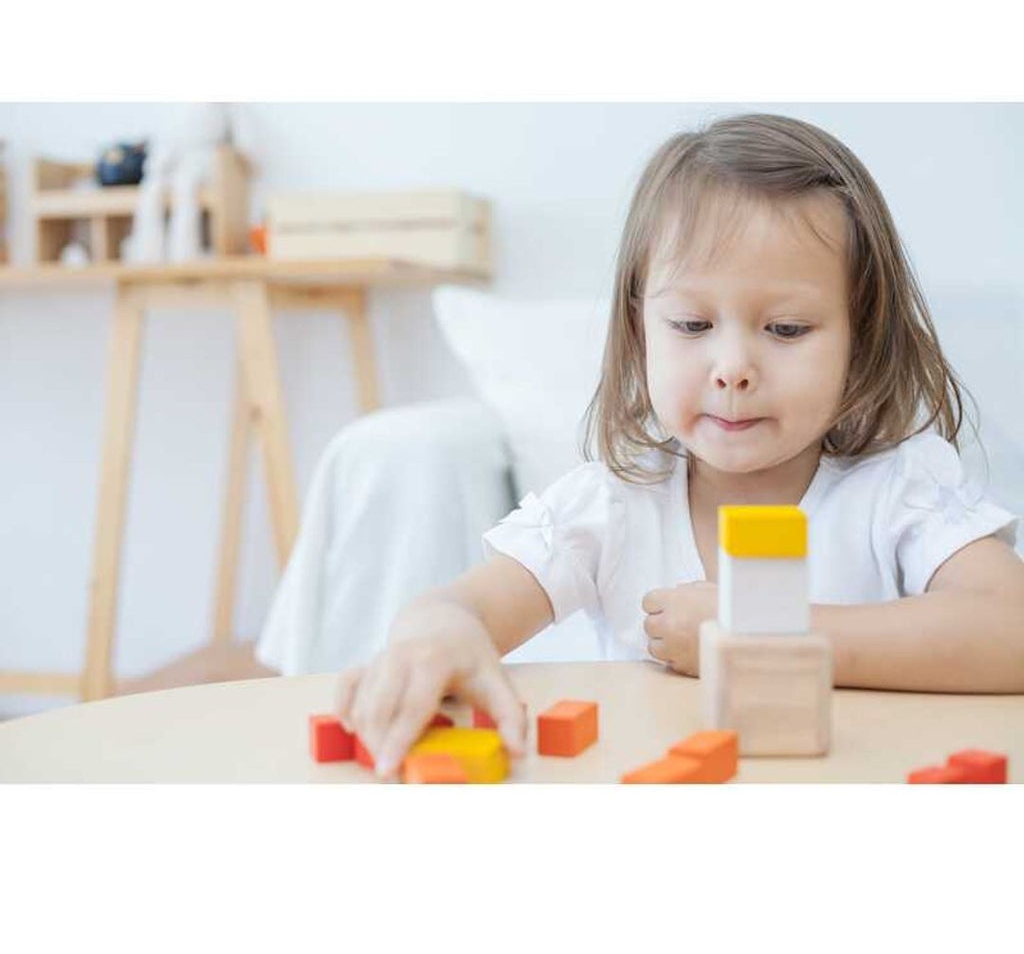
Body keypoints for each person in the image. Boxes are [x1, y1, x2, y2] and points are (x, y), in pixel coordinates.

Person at [336, 113, 1024, 779]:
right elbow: (463, 610)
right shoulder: (611, 504)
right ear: (641, 332)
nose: (732, 366)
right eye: (692, 323)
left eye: (785, 329)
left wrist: (759, 632)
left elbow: (1010, 629)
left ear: (860, 338)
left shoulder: (898, 488)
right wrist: (433, 632)